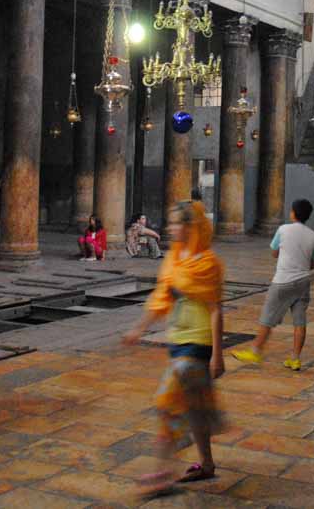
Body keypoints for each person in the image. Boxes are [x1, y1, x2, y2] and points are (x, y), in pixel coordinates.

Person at [123, 201, 225, 495]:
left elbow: (216, 308)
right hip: (178, 341)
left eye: (177, 223)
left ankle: (162, 473)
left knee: (167, 405)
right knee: (195, 409)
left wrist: (218, 355)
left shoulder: (209, 263)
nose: (170, 228)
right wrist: (138, 329)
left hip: (198, 343)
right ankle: (206, 465)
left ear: (192, 228)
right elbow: (162, 298)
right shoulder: (174, 260)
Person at [232, 199, 314, 371]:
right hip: (303, 282)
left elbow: (274, 253)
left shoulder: (283, 230)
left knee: (267, 318)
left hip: (282, 280)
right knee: (299, 321)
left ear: (293, 213)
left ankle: (255, 351)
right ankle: (295, 359)